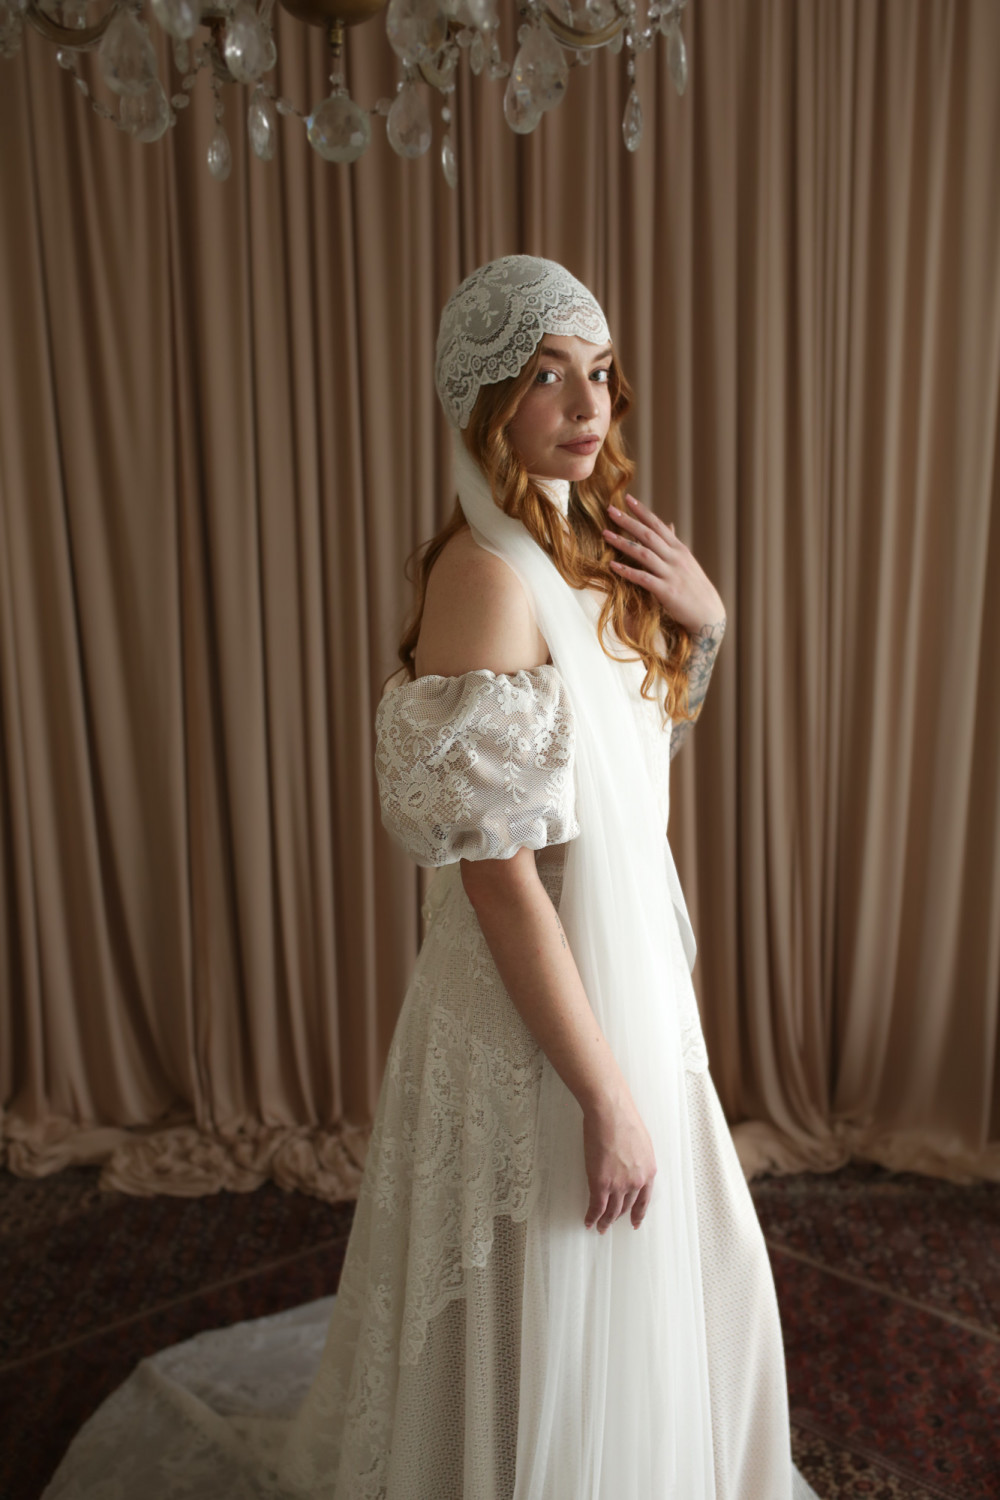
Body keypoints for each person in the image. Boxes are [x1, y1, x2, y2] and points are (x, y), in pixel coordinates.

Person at [43, 256, 819, 1500]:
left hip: (619, 978)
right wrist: (603, 1095)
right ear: (485, 400)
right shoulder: (485, 575)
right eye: (547, 375)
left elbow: (627, 769)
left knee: (671, 1284)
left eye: (599, 373)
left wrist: (706, 623)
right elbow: (500, 878)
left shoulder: (591, 539)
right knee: (541, 1295)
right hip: (530, 1008)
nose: (586, 404)